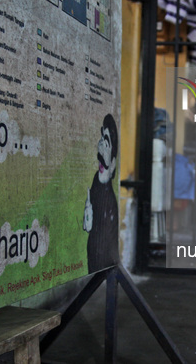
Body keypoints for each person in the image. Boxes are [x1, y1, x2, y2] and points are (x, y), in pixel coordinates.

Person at [83, 114, 119, 273]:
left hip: (99, 260)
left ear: (113, 163)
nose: (101, 145)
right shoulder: (96, 181)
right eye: (101, 139)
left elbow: (105, 246)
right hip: (93, 255)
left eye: (106, 142)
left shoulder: (110, 202)